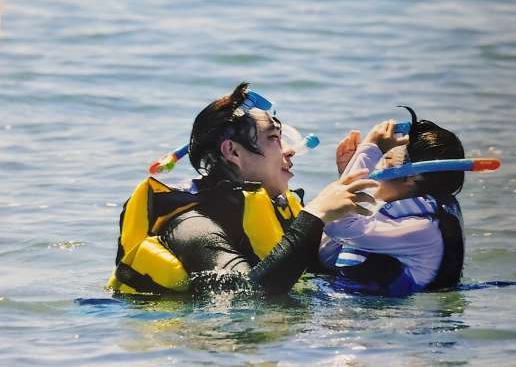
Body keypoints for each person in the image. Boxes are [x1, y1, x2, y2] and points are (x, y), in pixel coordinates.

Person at [107, 82, 378, 296]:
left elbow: (323, 268)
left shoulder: (275, 209)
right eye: (274, 138)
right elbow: (248, 296)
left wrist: (351, 180)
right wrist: (315, 215)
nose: (289, 151)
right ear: (232, 151)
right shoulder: (192, 226)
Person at [319, 109, 465, 297]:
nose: (375, 166)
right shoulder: (402, 215)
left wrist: (369, 150)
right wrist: (349, 174)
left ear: (412, 177)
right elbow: (326, 253)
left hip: (391, 313)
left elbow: (335, 222)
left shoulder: (422, 228)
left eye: (385, 158)